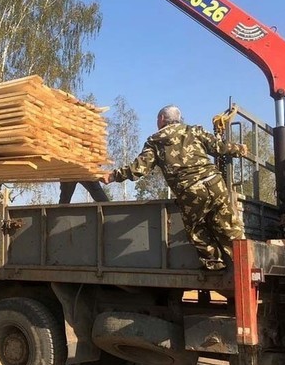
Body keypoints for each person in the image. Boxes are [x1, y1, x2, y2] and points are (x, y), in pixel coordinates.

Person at [101, 105, 247, 271]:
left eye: (157, 119)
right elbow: (219, 147)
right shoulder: (194, 130)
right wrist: (240, 149)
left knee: (195, 228)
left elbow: (139, 168)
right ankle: (246, 262)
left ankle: (215, 263)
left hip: (191, 190)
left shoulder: (156, 140)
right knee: (230, 227)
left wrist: (112, 176)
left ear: (162, 119)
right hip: (215, 183)